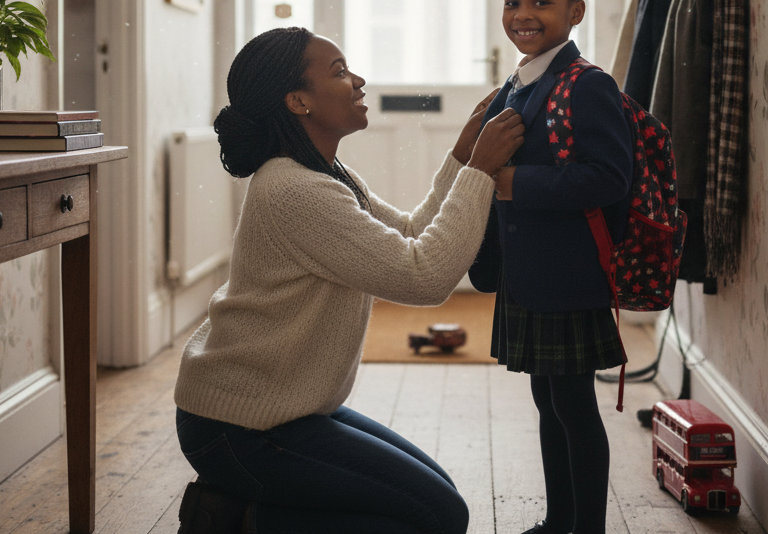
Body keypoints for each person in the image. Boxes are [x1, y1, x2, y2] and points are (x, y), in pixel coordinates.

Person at [174, 26, 524, 534]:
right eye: (339, 72)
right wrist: (482, 172)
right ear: (298, 101)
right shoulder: (295, 189)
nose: (358, 81)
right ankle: (236, 522)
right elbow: (424, 276)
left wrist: (463, 158)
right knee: (439, 515)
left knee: (440, 497)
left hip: (279, 411)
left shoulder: (323, 173)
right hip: (237, 427)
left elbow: (407, 232)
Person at [468, 0, 634, 534]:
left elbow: (610, 177)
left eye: (541, 1)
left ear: (575, 12)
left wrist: (516, 183)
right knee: (548, 402)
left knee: (573, 406)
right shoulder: (520, 83)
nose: (523, 15)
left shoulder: (587, 84)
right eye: (512, 1)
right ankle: (559, 519)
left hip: (568, 275)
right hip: (530, 272)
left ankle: (584, 528)